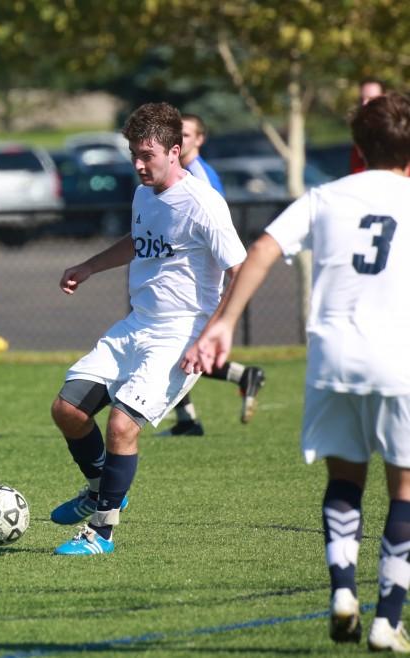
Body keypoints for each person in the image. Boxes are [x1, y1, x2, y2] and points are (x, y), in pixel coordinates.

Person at [182, 93, 410, 651]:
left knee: (344, 481)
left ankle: (340, 591)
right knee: (404, 490)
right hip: (400, 359)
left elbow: (263, 247)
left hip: (334, 357)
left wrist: (225, 323)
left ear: (357, 145)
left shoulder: (326, 196)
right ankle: (388, 619)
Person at [48, 102, 246, 555]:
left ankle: (101, 532)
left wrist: (214, 333)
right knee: (68, 409)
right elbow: (139, 242)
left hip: (180, 334)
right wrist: (89, 266)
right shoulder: (144, 193)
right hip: (136, 324)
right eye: (133, 154)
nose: (138, 164)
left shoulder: (202, 203)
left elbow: (240, 268)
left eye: (147, 155)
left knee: (121, 425)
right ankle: (103, 487)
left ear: (175, 151)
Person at [165, 113, 266, 436]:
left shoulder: (198, 179)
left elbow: (213, 231)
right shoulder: (183, 172)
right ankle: (188, 420)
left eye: (187, 135)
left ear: (200, 140)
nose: (180, 140)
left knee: (175, 348)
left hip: (198, 277)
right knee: (174, 349)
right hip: (185, 273)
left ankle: (237, 379)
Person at [351, 78, 387, 174]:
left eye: (371, 99)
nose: (365, 103)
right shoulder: (361, 129)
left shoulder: (399, 129)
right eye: (362, 99)